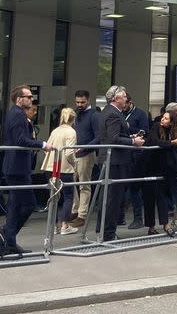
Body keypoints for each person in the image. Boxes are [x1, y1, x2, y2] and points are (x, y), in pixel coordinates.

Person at [1, 85, 52, 254]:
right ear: (19, 99)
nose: (31, 99)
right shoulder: (17, 115)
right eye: (28, 97)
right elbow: (21, 140)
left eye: (31, 97)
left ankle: (8, 240)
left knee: (15, 205)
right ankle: (8, 236)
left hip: (16, 167)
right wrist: (42, 144)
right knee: (28, 204)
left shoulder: (17, 114)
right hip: (17, 168)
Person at [97, 85, 144, 241]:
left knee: (110, 197)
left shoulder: (110, 112)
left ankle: (105, 230)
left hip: (112, 159)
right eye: (123, 96)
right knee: (113, 198)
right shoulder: (113, 114)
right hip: (115, 161)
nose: (126, 99)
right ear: (115, 99)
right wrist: (133, 141)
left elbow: (116, 134)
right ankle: (108, 233)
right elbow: (113, 138)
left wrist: (131, 135)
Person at [142, 110, 177, 236]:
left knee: (162, 196)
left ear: (172, 123)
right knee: (149, 198)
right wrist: (171, 143)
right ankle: (151, 227)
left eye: (166, 118)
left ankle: (165, 224)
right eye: (163, 117)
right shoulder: (155, 127)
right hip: (150, 166)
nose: (162, 119)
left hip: (164, 168)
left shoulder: (175, 132)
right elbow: (154, 141)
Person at [41, 108, 78, 235]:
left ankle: (54, 226)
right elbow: (69, 152)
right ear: (73, 119)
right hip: (64, 168)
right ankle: (64, 225)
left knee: (54, 196)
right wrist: (75, 163)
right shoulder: (71, 132)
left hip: (49, 167)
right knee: (68, 196)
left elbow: (46, 148)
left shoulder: (55, 130)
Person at [70, 90, 100, 228]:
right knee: (72, 183)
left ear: (88, 100)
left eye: (82, 102)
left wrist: (85, 147)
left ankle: (81, 214)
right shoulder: (77, 114)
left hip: (86, 154)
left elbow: (98, 137)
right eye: (77, 102)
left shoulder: (94, 115)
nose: (80, 104)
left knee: (84, 185)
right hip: (75, 153)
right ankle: (75, 210)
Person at [123, 96, 150, 230]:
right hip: (124, 153)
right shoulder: (120, 113)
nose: (123, 106)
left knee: (134, 187)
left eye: (125, 104)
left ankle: (138, 218)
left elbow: (145, 131)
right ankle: (120, 217)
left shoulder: (140, 114)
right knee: (121, 186)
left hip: (136, 154)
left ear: (130, 103)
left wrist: (130, 127)